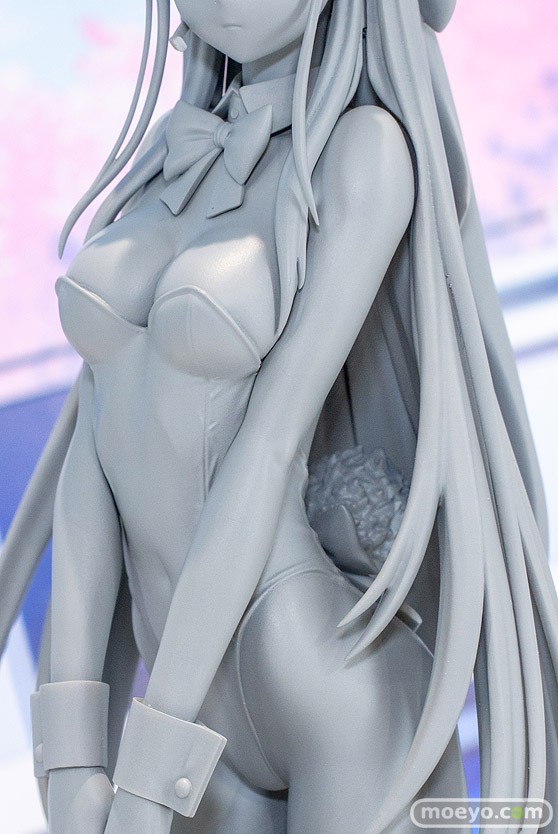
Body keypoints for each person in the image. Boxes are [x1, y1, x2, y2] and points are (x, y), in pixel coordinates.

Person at [1, 0, 558, 832]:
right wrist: (72, 745)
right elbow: (95, 441)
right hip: (187, 693)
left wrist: (151, 773)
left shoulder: (365, 152)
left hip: (320, 687)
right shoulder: (168, 156)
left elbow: (269, 447)